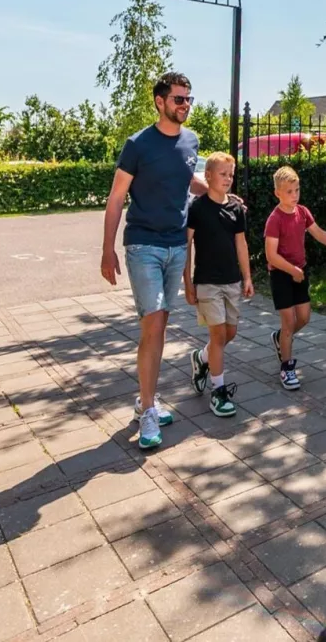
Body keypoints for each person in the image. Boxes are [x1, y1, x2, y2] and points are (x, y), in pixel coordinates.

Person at [100, 71, 237, 450]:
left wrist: (221, 194)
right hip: (143, 245)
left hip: (178, 246)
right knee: (154, 325)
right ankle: (147, 410)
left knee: (159, 327)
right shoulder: (138, 145)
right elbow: (116, 198)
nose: (185, 105)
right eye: (179, 99)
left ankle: (147, 398)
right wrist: (107, 248)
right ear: (160, 102)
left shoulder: (191, 141)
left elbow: (188, 181)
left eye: (189, 99)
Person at [264, 164, 326, 390]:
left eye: (297, 190)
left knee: (304, 317)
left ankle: (281, 338)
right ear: (278, 193)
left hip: (299, 272)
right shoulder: (275, 219)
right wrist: (291, 270)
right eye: (289, 192)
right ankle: (287, 369)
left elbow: (319, 234)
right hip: (282, 274)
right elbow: (271, 255)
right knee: (289, 322)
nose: (294, 195)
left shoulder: (302, 212)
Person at [185, 152, 254, 418]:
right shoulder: (198, 208)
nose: (228, 179)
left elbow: (241, 243)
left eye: (231, 174)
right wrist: (188, 282)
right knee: (217, 335)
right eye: (223, 174)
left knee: (230, 334)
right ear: (209, 176)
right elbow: (187, 244)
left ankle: (201, 358)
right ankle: (218, 391)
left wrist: (247, 277)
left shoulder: (235, 209)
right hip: (207, 282)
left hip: (232, 280)